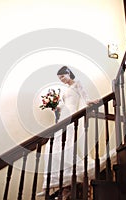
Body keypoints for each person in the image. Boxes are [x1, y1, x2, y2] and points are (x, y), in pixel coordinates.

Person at [38, 66, 102, 198]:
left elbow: (85, 97)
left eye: (62, 76)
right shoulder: (66, 90)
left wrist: (92, 101)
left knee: (66, 144)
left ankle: (61, 179)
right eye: (59, 78)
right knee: (51, 146)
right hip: (64, 117)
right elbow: (64, 105)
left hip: (73, 116)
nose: (61, 80)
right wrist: (55, 106)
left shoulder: (77, 83)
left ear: (68, 73)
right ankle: (49, 183)